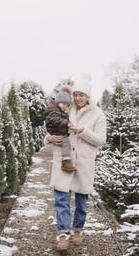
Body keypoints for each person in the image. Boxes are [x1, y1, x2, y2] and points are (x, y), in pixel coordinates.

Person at [45, 78, 107, 251]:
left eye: (82, 95)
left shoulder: (98, 114)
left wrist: (84, 132)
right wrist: (49, 139)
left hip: (83, 163)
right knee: (61, 200)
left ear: (88, 96)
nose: (78, 98)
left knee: (81, 201)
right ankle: (63, 234)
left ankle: (78, 229)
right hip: (64, 160)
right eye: (76, 95)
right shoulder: (65, 107)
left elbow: (101, 140)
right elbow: (50, 127)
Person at [44, 85, 77, 172]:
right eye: (63, 104)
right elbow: (55, 121)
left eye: (67, 105)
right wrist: (49, 138)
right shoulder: (55, 111)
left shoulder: (62, 110)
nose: (65, 106)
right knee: (65, 142)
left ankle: (66, 161)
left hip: (81, 160)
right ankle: (66, 161)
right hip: (58, 134)